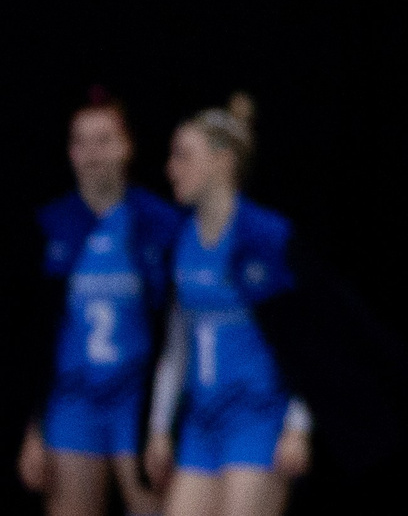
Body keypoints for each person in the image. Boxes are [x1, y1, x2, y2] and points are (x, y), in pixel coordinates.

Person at [18, 94, 185, 516]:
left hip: (138, 402)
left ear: (126, 146)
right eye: (81, 142)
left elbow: (181, 327)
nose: (92, 154)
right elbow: (29, 337)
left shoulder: (159, 224)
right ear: (70, 151)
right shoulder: (50, 226)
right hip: (72, 402)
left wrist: (167, 422)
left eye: (104, 140)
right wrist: (32, 430)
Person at [145, 98, 311, 516]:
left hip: (257, 420)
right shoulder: (182, 242)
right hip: (202, 424)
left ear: (222, 161)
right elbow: (177, 346)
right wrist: (160, 429)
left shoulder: (266, 236)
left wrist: (298, 426)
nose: (171, 169)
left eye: (184, 155)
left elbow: (308, 344)